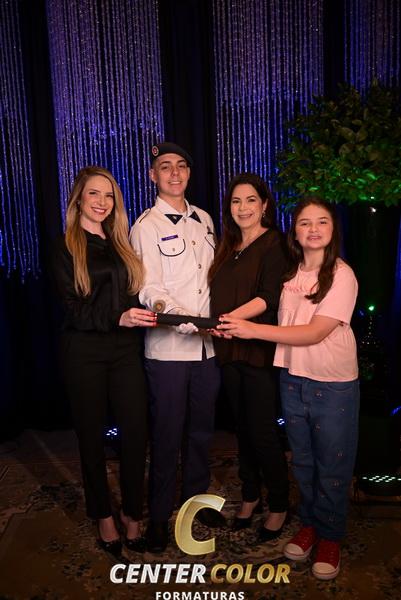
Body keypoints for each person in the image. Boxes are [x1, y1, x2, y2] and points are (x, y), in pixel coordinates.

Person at [217, 197, 359, 581]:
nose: (313, 229)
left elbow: (315, 332)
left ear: (333, 229)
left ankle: (330, 537)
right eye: (304, 222)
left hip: (332, 385)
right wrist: (230, 322)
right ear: (294, 231)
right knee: (304, 463)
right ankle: (310, 524)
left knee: (332, 466)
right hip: (292, 379)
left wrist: (251, 330)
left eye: (322, 222)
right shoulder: (290, 272)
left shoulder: (341, 275)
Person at [52, 166, 156, 556]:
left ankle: (131, 511)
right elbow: (73, 309)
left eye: (109, 195)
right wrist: (118, 317)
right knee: (91, 438)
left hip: (125, 350)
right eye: (94, 193)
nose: (102, 202)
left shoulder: (121, 243)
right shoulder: (64, 246)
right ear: (79, 198)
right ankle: (103, 515)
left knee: (136, 434)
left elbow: (134, 295)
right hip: (84, 352)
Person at [129, 142, 222, 553]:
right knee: (167, 436)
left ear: (188, 173)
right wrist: (174, 313)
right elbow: (148, 286)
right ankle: (159, 516)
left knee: (201, 433)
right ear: (153, 176)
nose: (174, 173)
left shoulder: (205, 219)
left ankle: (195, 505)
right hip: (168, 349)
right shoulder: (145, 225)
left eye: (181, 166)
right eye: (165, 167)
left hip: (207, 350)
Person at [208, 173, 289, 542]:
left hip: (258, 348)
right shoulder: (228, 247)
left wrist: (229, 320)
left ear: (264, 205)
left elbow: (269, 297)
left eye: (250, 200)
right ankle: (251, 494)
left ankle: (279, 503)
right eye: (236, 201)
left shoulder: (275, 244)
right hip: (228, 348)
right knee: (242, 428)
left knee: (263, 431)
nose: (243, 208)